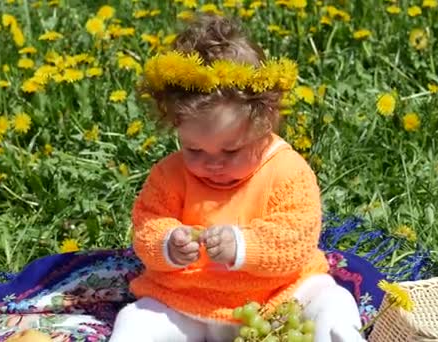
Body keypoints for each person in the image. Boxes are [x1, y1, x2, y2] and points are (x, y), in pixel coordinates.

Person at [110, 14, 364, 342]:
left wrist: (243, 245)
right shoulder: (169, 175)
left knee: (332, 302)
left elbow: (297, 237)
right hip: (190, 301)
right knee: (136, 320)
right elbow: (147, 225)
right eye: (194, 149)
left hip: (281, 296)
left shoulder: (287, 170)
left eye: (230, 151)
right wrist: (169, 243)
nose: (211, 164)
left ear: (265, 124)